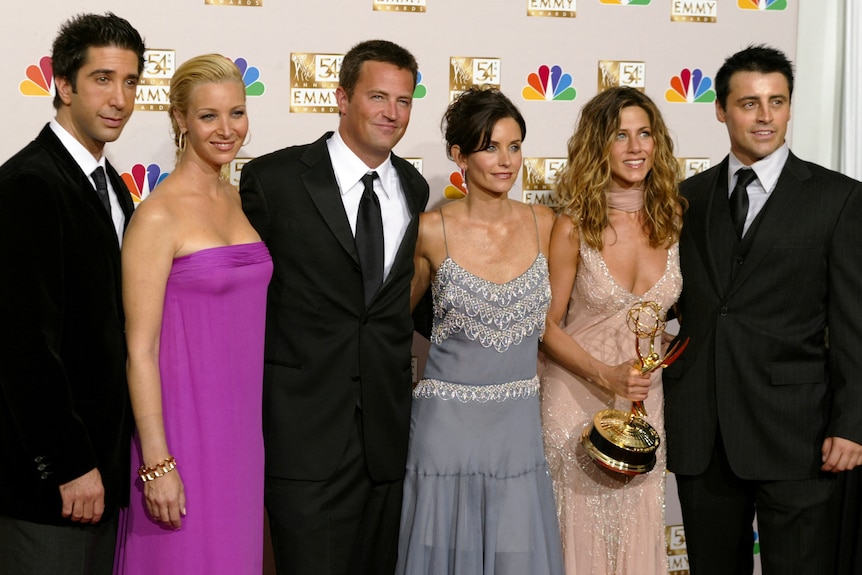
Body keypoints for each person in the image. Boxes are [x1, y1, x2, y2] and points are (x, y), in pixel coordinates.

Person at [663, 44, 862, 575]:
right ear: (721, 110)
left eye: (777, 101)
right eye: (750, 103)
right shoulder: (686, 199)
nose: (766, 115)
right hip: (704, 431)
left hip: (798, 433)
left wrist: (853, 424)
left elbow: (853, 325)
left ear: (791, 107)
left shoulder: (837, 199)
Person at [239, 40, 429, 575]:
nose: (392, 112)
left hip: (385, 440)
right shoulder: (273, 181)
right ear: (342, 98)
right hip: (303, 435)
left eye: (404, 100)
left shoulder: (413, 188)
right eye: (377, 96)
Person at [114, 54, 272, 574]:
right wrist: (158, 464)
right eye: (209, 116)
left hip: (242, 435)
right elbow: (139, 350)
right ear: (180, 118)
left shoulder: (236, 198)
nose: (227, 130)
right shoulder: (157, 214)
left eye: (237, 113)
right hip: (182, 430)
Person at [396, 87, 563, 575]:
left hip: (517, 430)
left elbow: (561, 323)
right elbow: (391, 323)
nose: (506, 161)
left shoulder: (546, 224)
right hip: (444, 432)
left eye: (514, 146)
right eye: (490, 147)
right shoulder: (429, 230)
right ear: (459, 155)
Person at [0, 12, 144, 574]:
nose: (120, 98)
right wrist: (67, 465)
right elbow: (22, 347)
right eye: (102, 79)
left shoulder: (114, 189)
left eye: (130, 81)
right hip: (50, 487)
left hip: (103, 478)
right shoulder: (30, 185)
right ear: (62, 85)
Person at [540, 86, 684, 574]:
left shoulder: (674, 219)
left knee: (637, 529)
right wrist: (606, 375)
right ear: (598, 146)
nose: (635, 147)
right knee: (577, 532)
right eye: (620, 135)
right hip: (576, 395)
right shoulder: (573, 225)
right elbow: (546, 325)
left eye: (644, 134)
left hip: (645, 402)